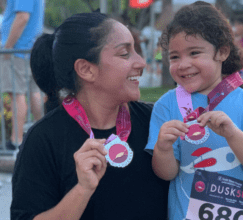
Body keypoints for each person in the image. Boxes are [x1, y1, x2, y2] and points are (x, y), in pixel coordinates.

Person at [145, 2, 243, 220]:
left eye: (194, 52)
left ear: (222, 51)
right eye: (174, 56)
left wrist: (232, 134)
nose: (183, 64)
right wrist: (162, 148)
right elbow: (167, 173)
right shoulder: (166, 105)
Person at [11, 12, 170, 219]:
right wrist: (82, 189)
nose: (141, 62)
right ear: (86, 69)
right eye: (125, 54)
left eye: (136, 51)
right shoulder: (43, 139)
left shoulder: (157, 123)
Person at [0, 0, 44, 150]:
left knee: (16, 94)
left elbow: (23, 17)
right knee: (34, 94)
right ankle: (43, 138)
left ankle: (16, 142)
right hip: (30, 48)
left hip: (18, 51)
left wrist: (8, 47)